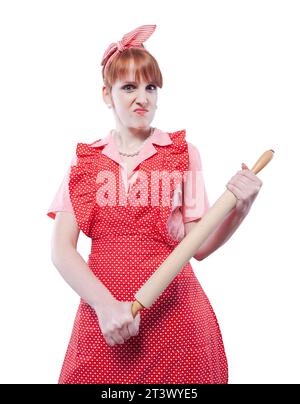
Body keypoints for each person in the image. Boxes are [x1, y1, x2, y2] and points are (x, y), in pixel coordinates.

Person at [47, 24, 263, 384]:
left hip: (176, 318)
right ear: (107, 94)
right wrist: (104, 306)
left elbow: (200, 246)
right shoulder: (84, 161)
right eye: (129, 87)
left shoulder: (181, 153)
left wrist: (240, 208)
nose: (142, 98)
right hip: (105, 317)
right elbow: (60, 250)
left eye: (151, 87)